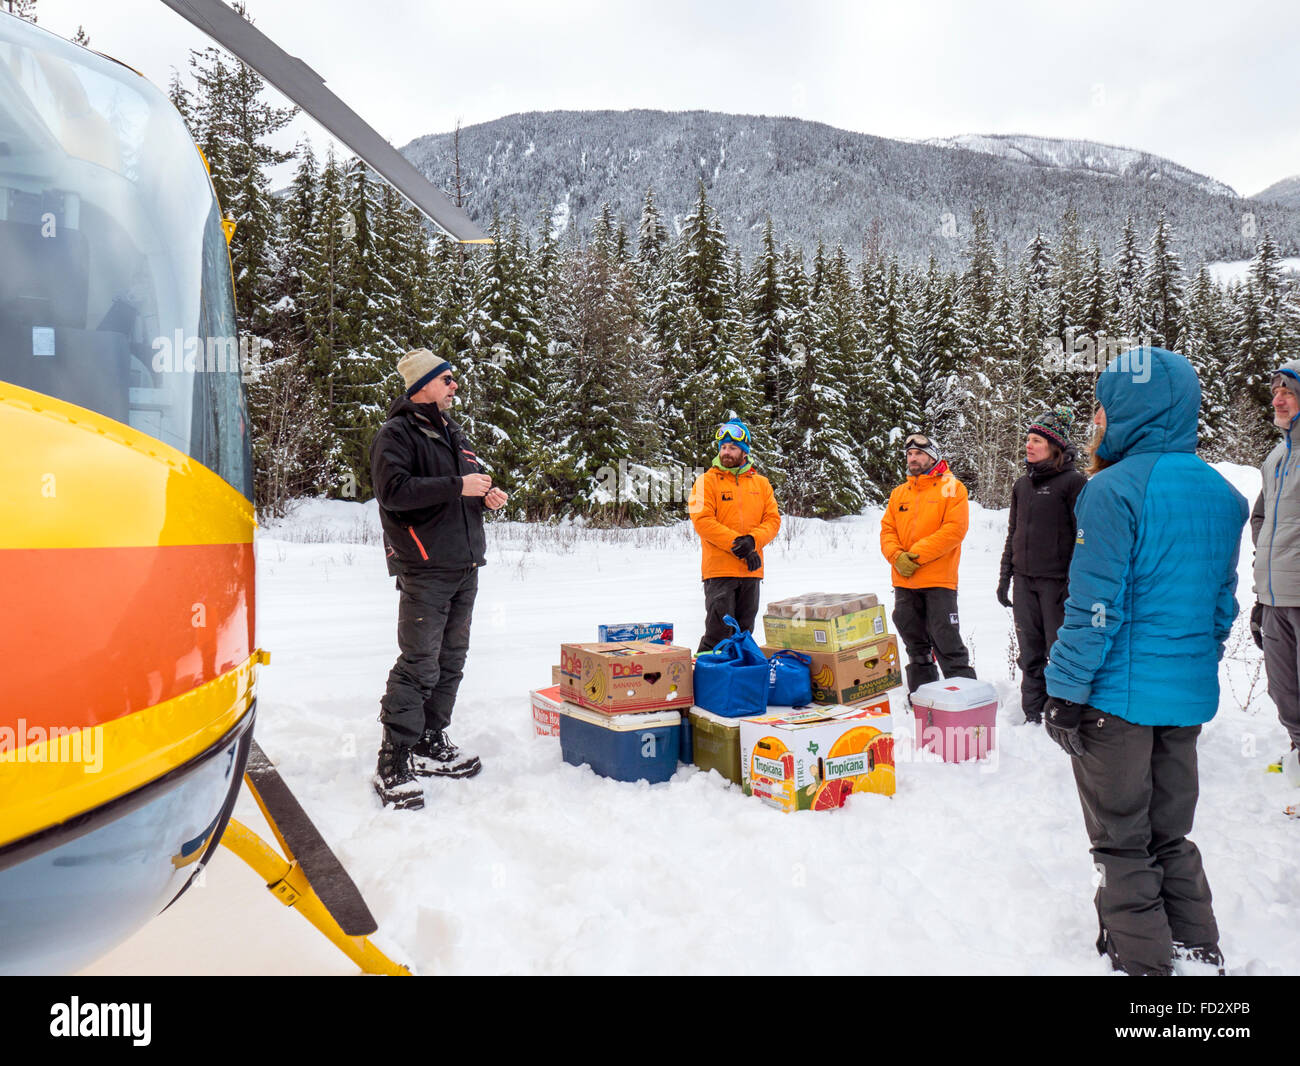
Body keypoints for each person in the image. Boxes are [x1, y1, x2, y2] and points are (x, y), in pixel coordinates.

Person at [1044, 347, 1247, 976]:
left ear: (1129, 409)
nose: (1096, 421)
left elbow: (1095, 607)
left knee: (1121, 840)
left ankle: (1147, 972)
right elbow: (1220, 607)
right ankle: (1197, 950)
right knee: (1171, 834)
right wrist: (1192, 666)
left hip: (1116, 704)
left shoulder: (1112, 491)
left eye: (1102, 408)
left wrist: (1067, 691)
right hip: (1182, 699)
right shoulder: (1221, 492)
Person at [369, 348, 508, 809]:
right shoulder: (397, 434)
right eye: (447, 379)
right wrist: (457, 487)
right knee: (419, 662)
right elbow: (393, 493)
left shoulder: (454, 433)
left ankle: (431, 738)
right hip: (425, 566)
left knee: (451, 659)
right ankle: (393, 757)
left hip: (464, 563)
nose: (454, 386)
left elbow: (465, 487)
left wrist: (484, 497)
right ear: (422, 384)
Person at [997, 407, 1087, 724]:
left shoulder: (1073, 482)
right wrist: (1004, 577)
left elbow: (1083, 536)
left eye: (1036, 440)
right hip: (1024, 581)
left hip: (1056, 584)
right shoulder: (1022, 485)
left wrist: (1076, 583)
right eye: (1027, 439)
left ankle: (1059, 711)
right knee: (1030, 651)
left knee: (1057, 651)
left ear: (1054, 446)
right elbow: (1013, 533)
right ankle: (1032, 713)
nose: (1028, 445)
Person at [880, 433, 977, 696]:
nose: (913, 458)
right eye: (909, 454)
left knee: (946, 641)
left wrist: (914, 555)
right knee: (915, 644)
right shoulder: (899, 492)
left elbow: (954, 530)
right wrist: (897, 556)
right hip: (904, 580)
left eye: (919, 454)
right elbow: (887, 530)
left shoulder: (952, 487)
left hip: (938, 580)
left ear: (933, 456)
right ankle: (924, 700)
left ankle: (966, 700)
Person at [688, 419, 781, 652]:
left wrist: (753, 541)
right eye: (723, 447)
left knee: (745, 632)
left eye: (732, 447)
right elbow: (703, 521)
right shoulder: (705, 482)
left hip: (751, 569)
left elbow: (773, 520)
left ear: (744, 451)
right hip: (720, 571)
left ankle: (738, 682)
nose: (726, 452)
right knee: (718, 633)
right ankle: (708, 682)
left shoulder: (761, 484)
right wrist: (738, 545)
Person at [1250, 359, 1300, 786]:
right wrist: (1261, 591)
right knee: (1284, 693)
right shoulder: (1277, 456)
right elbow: (1260, 517)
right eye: (1275, 392)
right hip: (1274, 598)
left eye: (1289, 391)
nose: (1278, 399)